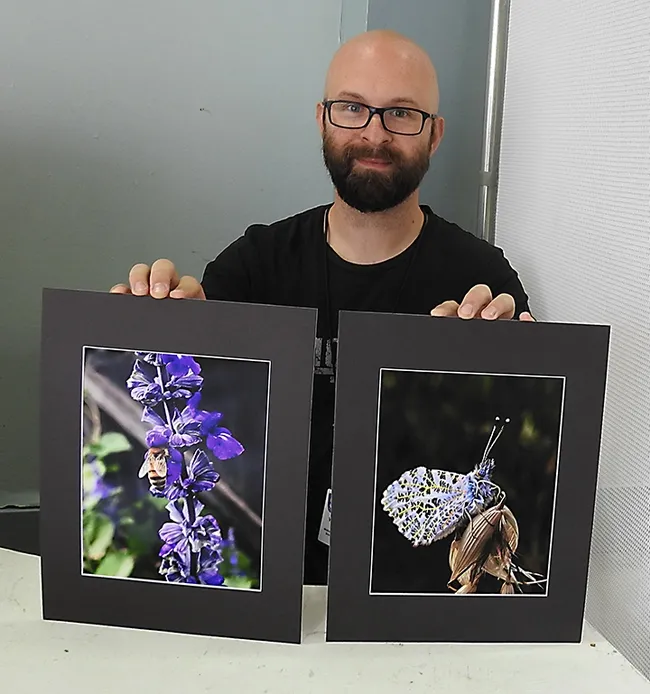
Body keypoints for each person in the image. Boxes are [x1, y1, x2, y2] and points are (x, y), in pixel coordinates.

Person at [110, 29, 534, 585]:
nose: (375, 134)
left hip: (410, 592)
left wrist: (513, 366)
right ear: (322, 118)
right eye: (352, 108)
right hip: (260, 582)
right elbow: (191, 414)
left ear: (435, 135)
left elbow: (528, 433)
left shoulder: (481, 278)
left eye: (402, 114)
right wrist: (156, 323)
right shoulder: (254, 264)